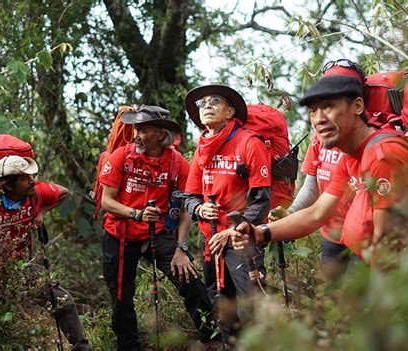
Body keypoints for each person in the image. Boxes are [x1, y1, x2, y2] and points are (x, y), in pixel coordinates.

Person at [231, 60, 408, 267]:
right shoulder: (350, 156)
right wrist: (261, 232)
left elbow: (385, 246)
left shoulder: (382, 155)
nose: (319, 119)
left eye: (328, 107)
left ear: (358, 106)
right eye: (313, 111)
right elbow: (317, 213)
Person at [99, 105, 214, 350]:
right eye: (136, 129)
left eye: (143, 130)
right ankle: (129, 347)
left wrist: (181, 249)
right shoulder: (121, 156)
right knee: (121, 298)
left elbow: (185, 208)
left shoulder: (179, 164)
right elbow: (106, 201)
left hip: (157, 234)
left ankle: (214, 337)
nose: (136, 135)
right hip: (119, 233)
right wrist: (137, 214)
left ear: (161, 135)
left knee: (189, 279)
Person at [183, 85, 271, 344]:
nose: (207, 106)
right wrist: (199, 209)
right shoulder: (202, 147)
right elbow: (189, 197)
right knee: (221, 303)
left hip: (241, 238)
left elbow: (261, 201)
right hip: (210, 239)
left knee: (249, 305)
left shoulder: (249, 143)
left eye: (215, 101)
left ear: (230, 111)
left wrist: (232, 231)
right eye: (202, 103)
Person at [269, 61, 367, 280]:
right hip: (331, 233)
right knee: (333, 300)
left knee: (356, 305)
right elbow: (312, 184)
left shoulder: (370, 142)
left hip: (364, 236)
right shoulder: (321, 138)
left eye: (331, 104)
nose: (321, 116)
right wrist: (291, 214)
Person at [0, 155, 90, 351]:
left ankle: (81, 348)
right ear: (8, 185)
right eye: (25, 178)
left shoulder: (35, 193)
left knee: (61, 299)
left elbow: (64, 192)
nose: (32, 181)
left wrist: (41, 210)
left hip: (22, 266)